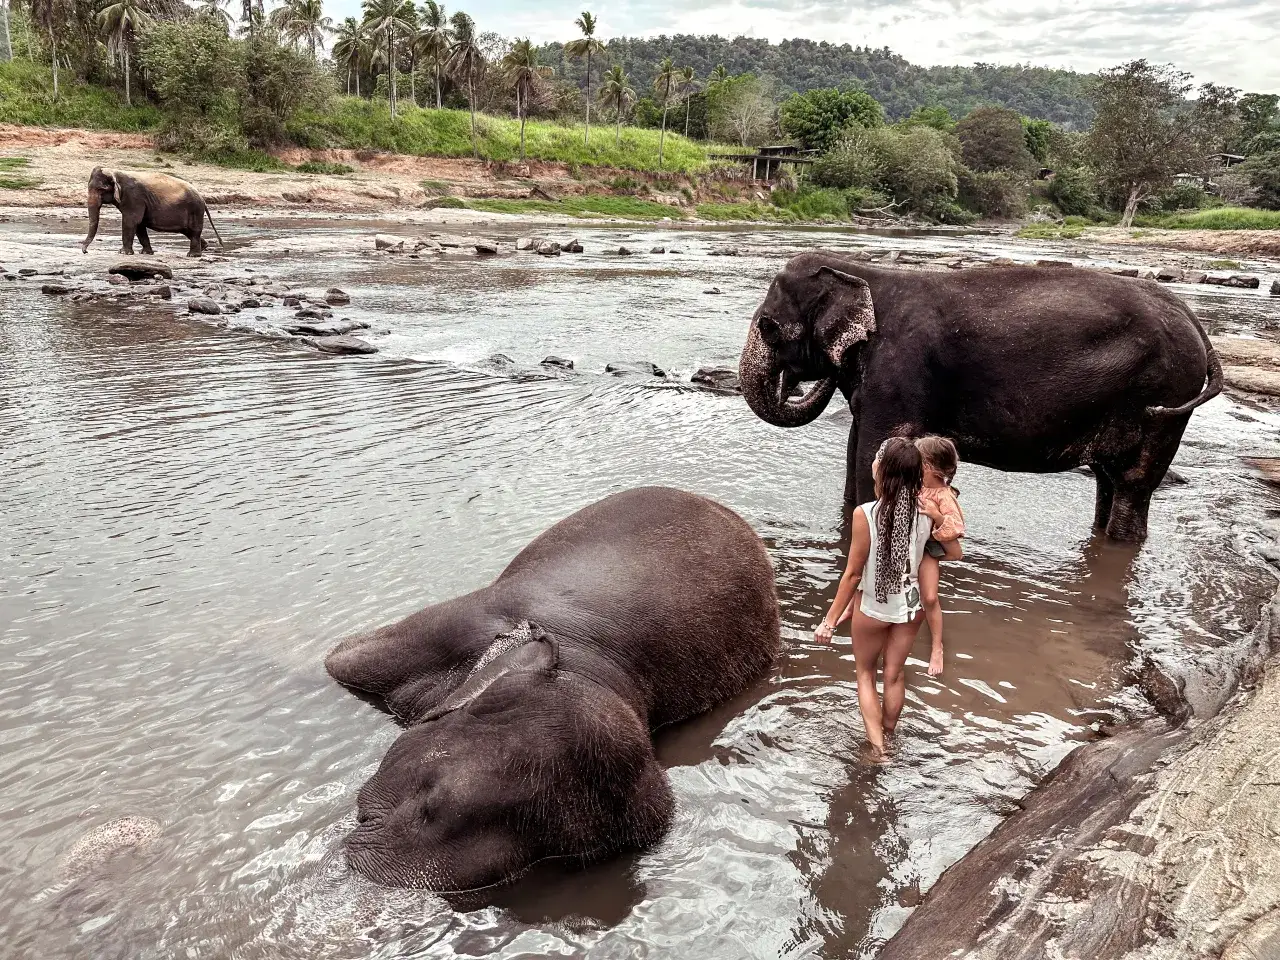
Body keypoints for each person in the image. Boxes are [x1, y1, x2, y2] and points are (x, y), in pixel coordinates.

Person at [814, 437, 962, 755]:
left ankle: (878, 750)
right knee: (894, 676)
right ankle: (890, 736)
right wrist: (936, 526)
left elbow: (853, 575)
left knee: (866, 675)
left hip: (874, 608)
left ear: (881, 469)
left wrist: (829, 621)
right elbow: (953, 551)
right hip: (911, 608)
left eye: (877, 458)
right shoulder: (926, 511)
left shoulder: (865, 514)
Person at [915, 436, 966, 678]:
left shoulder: (944, 496)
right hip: (909, 542)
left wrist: (936, 515)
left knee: (930, 597)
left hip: (928, 547)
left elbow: (956, 528)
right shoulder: (914, 484)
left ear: (928, 466)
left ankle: (937, 647)